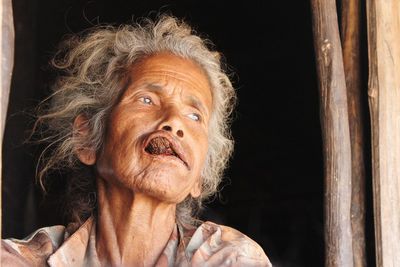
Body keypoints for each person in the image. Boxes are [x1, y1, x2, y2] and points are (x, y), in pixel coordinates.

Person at [2, 15, 271, 266]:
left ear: (199, 176)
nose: (174, 122)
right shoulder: (25, 260)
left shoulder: (230, 258)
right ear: (86, 138)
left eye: (194, 115)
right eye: (147, 100)